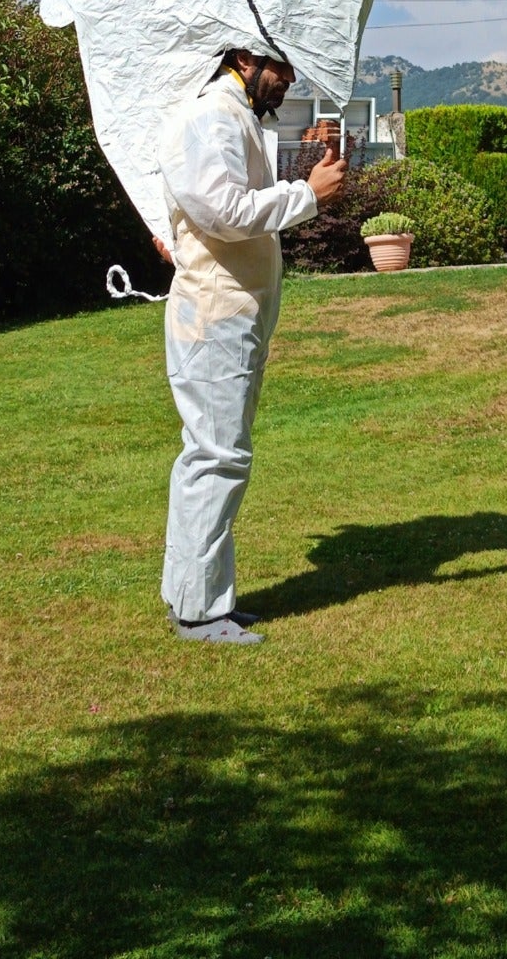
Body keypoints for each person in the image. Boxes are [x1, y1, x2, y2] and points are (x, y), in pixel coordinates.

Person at [154, 48, 347, 644]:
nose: (288, 80)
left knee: (218, 452)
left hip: (230, 316)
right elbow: (225, 212)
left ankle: (202, 598)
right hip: (214, 317)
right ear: (243, 57)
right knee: (217, 455)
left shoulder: (234, 117)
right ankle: (199, 611)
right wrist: (308, 194)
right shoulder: (212, 115)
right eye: (281, 67)